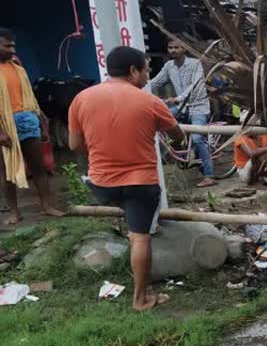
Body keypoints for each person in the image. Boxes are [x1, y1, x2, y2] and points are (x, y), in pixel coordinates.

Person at [68, 46, 186, 311]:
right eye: (146, 70)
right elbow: (177, 135)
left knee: (131, 219)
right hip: (139, 184)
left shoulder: (82, 98)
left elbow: (75, 144)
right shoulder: (150, 101)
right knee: (140, 237)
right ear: (133, 71)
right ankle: (140, 299)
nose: (147, 76)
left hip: (101, 185)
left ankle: (142, 285)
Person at [0, 28, 64, 225]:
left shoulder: (19, 68)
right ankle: (14, 212)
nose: (12, 49)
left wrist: (42, 123)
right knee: (7, 171)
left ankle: (47, 206)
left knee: (39, 166)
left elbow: (31, 97)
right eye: (7, 45)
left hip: (27, 120)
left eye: (13, 45)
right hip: (5, 123)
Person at [149, 39, 216, 188]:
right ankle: (178, 144)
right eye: (170, 47)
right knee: (158, 121)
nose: (173, 50)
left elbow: (195, 85)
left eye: (176, 47)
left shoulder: (195, 64)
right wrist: (139, 90)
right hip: (181, 107)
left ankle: (209, 175)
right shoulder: (169, 66)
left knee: (198, 139)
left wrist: (177, 98)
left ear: (184, 49)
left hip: (198, 106)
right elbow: (155, 82)